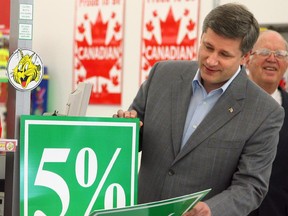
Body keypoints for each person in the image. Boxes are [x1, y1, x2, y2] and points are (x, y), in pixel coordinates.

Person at [113, 3, 285, 216]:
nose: (211, 60)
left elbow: (251, 186)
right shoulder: (162, 75)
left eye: (224, 54)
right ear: (201, 37)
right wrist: (123, 127)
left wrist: (211, 209)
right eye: (208, 47)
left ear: (245, 57)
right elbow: (130, 141)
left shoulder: (265, 111)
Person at [245, 30, 288, 216]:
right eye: (264, 52)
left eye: (280, 54)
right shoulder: (223, 105)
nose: (272, 59)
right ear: (247, 58)